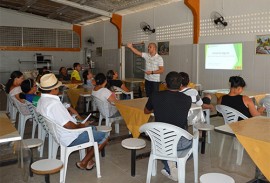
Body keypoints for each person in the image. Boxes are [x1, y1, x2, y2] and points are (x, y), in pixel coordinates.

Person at [36, 73, 108, 170]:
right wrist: (81, 125)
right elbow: (69, 126)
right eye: (58, 87)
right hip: (70, 137)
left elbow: (61, 120)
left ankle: (89, 160)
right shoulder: (54, 104)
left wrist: (79, 123)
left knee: (92, 128)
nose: (59, 89)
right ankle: (84, 162)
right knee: (105, 137)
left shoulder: (42, 101)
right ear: (53, 89)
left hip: (59, 134)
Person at [144, 71, 192, 181]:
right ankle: (172, 164)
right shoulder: (187, 99)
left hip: (160, 141)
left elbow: (146, 111)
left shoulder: (155, 95)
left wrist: (156, 106)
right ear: (181, 85)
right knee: (195, 145)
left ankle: (170, 165)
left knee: (165, 144)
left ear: (165, 84)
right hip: (180, 143)